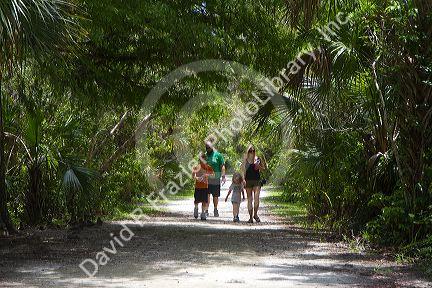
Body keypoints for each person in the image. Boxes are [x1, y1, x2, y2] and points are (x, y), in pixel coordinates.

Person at [241, 145, 266, 223]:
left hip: (257, 181)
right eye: (250, 151)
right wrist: (243, 180)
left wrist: (259, 167)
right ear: (247, 152)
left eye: (253, 151)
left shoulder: (258, 159)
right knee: (249, 199)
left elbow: (264, 169)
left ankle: (255, 214)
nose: (252, 152)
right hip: (248, 181)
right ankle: (250, 217)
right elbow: (243, 171)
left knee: (256, 198)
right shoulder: (245, 160)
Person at [204, 141, 226, 217]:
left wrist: (223, 176)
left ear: (212, 147)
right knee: (207, 194)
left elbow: (222, 166)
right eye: (206, 148)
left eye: (209, 148)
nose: (207, 149)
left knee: (215, 195)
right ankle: (206, 210)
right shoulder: (205, 155)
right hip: (206, 178)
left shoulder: (218, 155)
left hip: (216, 178)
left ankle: (215, 209)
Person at [192, 153, 214, 220]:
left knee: (204, 201)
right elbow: (193, 176)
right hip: (197, 186)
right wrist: (197, 178)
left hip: (205, 186)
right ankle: (196, 209)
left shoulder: (208, 167)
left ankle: (203, 213)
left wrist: (207, 175)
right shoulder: (196, 166)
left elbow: (213, 175)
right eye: (201, 158)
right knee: (196, 200)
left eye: (204, 158)